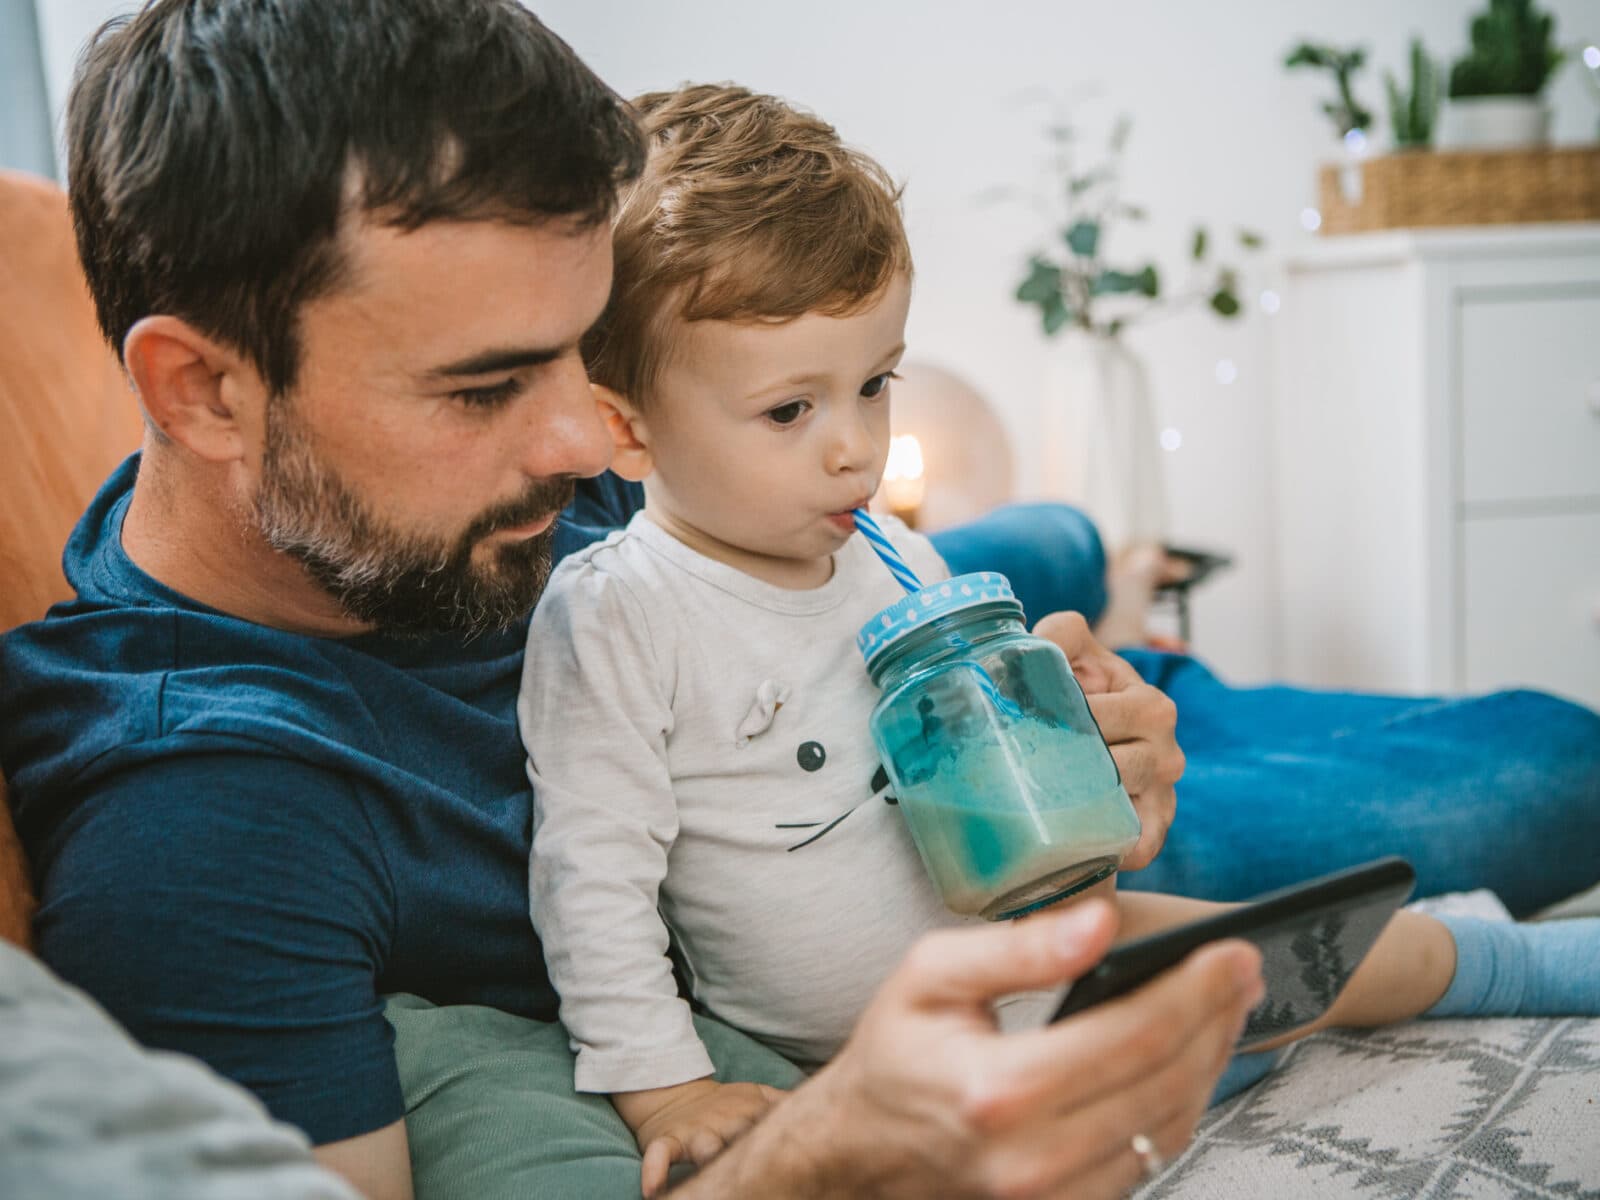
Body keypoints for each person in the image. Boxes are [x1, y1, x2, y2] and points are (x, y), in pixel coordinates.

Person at [0, 3, 1257, 1198]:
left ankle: (1105, 578)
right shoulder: (204, 831)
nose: (589, 443)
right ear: (204, 393)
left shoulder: (416, 507)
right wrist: (817, 1163)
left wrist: (1097, 751)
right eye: (485, 388)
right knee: (1449, 795)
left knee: (1051, 553)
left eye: (583, 349)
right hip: (821, 860)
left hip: (882, 677)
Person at [520, 83, 1600, 1197]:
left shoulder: (893, 555)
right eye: (792, 411)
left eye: (875, 384)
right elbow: (590, 880)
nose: (858, 450)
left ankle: (1510, 956)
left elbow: (999, 757)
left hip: (1060, 934)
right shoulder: (616, 615)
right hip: (891, 1038)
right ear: (625, 428)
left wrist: (1066, 738)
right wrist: (669, 1091)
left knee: (1305, 955)